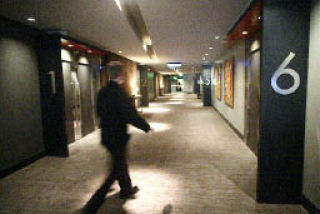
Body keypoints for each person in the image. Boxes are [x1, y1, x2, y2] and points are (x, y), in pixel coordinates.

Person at [83, 67, 152, 213]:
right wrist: (145, 127)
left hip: (107, 136)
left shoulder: (102, 92)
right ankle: (93, 204)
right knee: (115, 169)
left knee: (120, 162)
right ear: (120, 75)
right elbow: (129, 114)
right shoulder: (119, 93)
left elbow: (99, 112)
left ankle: (126, 188)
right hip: (118, 136)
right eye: (123, 74)